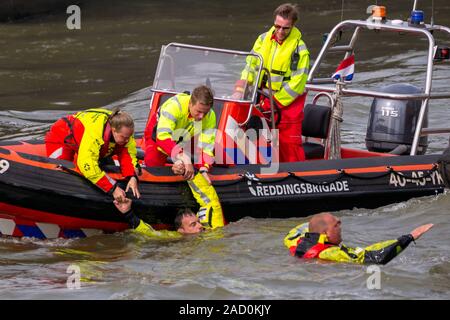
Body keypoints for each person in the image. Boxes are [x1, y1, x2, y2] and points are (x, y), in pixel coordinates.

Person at [234, 3, 310, 163]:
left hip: (288, 106)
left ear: (293, 25)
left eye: (285, 28)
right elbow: (250, 66)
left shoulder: (300, 50)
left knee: (288, 145)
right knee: (252, 137)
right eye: (277, 26)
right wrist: (240, 90)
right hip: (262, 98)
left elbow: (297, 84)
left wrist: (273, 103)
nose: (280, 31)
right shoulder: (263, 39)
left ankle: (295, 180)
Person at [144, 85, 224, 230]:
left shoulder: (209, 116)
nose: (201, 117)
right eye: (199, 112)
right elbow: (162, 137)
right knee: (153, 169)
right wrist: (182, 157)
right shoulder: (174, 107)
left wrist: (204, 168)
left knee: (195, 163)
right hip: (157, 138)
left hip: (184, 137)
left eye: (205, 113)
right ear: (190, 103)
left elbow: (206, 146)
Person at [45, 107, 140, 202]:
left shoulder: (125, 132)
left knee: (105, 164)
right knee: (62, 171)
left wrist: (132, 176)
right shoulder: (95, 133)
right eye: (124, 137)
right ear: (114, 130)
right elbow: (86, 165)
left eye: (129, 137)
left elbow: (129, 156)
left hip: (87, 141)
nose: (127, 140)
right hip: (62, 136)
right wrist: (113, 188)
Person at [284, 212, 433, 264]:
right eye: (336, 225)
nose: (341, 226)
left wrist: (316, 223)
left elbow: (302, 228)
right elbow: (374, 257)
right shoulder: (331, 253)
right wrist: (410, 236)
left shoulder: (294, 241)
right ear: (325, 234)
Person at [114, 198, 203, 237]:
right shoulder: (175, 236)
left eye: (199, 222)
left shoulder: (208, 231)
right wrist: (128, 213)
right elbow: (149, 232)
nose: (200, 226)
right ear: (181, 231)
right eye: (193, 224)